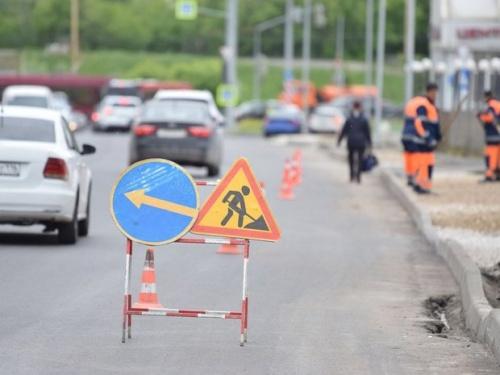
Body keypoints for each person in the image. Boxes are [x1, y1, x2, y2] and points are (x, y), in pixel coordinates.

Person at [402, 83, 441, 194]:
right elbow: (419, 123)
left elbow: (433, 124)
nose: (435, 95)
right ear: (428, 92)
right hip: (424, 142)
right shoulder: (423, 106)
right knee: (424, 165)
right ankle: (421, 186)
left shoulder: (431, 106)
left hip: (428, 141)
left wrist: (438, 136)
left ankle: (424, 186)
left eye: (436, 92)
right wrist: (428, 138)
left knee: (428, 164)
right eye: (433, 92)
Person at [337, 101, 372, 183]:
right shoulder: (363, 119)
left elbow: (344, 131)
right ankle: (358, 177)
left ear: (353, 107)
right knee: (360, 159)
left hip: (351, 142)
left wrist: (339, 141)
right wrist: (370, 143)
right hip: (361, 142)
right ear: (360, 108)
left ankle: (352, 176)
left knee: (351, 160)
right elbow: (367, 132)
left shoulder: (350, 119)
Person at [477, 90, 500, 182]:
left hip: (492, 135)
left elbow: (490, 117)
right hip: (498, 135)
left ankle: (489, 175)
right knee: (498, 155)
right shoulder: (498, 104)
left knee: (490, 155)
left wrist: (481, 116)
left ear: (486, 97)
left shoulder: (491, 105)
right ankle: (498, 174)